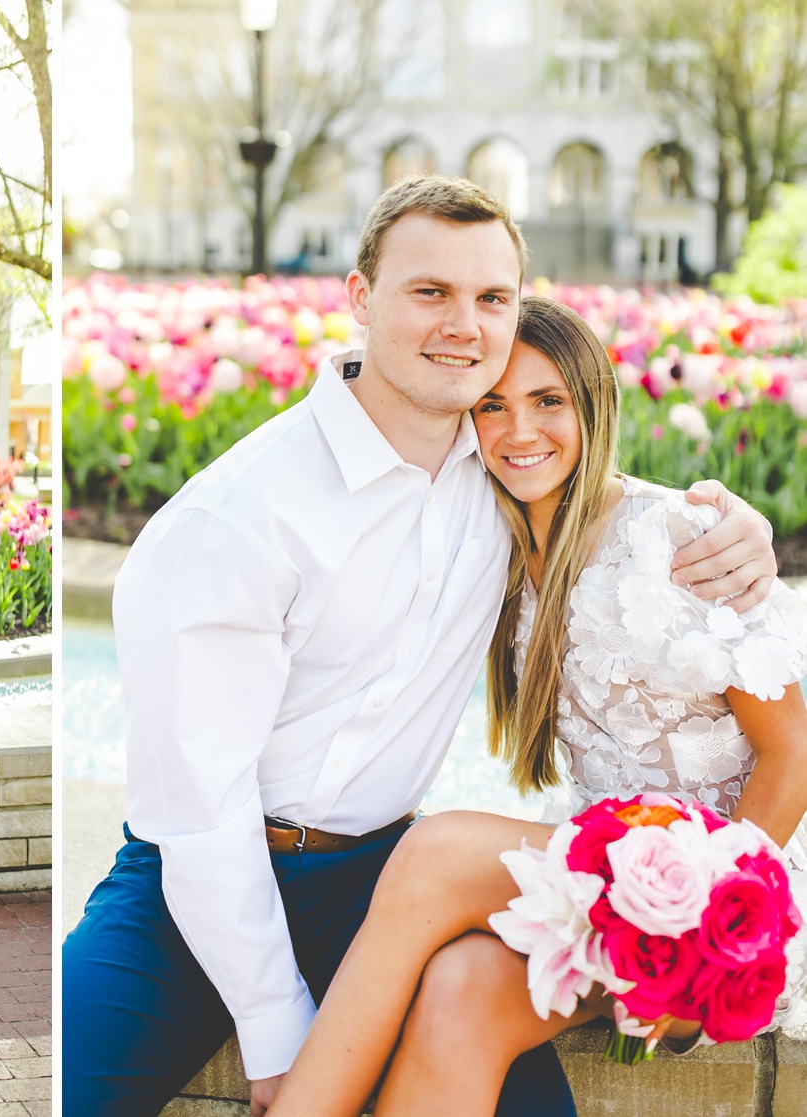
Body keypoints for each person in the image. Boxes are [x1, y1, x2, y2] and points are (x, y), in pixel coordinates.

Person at [60, 176, 783, 1117]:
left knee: (508, 1090)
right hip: (188, 885)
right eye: (429, 291)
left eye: (491, 298)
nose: (464, 325)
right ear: (360, 299)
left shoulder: (496, 476)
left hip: (377, 878)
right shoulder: (234, 521)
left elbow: (592, 491)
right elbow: (198, 818)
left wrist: (733, 527)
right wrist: (279, 1032)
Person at [265, 297, 807, 1116]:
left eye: (548, 400)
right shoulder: (492, 542)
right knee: (459, 987)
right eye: (493, 404)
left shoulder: (679, 536)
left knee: (434, 852)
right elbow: (374, 377)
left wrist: (706, 940)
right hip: (609, 882)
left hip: (731, 906)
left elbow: (795, 752)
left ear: (591, 401)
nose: (520, 430)